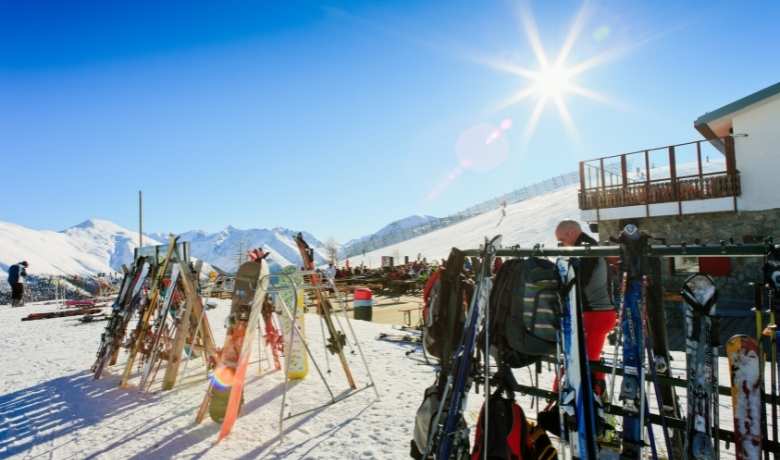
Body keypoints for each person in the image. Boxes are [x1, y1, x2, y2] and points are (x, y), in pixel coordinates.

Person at [537, 220, 617, 434]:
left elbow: (578, 285)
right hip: (595, 313)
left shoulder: (586, 251)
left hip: (594, 314)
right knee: (586, 360)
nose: (560, 244)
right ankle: (586, 405)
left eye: (562, 239)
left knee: (587, 363)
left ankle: (593, 409)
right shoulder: (587, 248)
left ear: (572, 232)